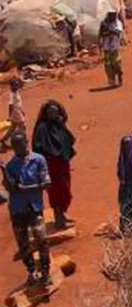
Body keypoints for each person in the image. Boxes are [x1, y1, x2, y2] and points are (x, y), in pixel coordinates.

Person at [3, 132, 51, 284]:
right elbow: (10, 188)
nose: (18, 148)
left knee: (41, 238)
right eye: (15, 146)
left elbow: (46, 183)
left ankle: (45, 271)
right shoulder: (10, 166)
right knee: (23, 242)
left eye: (20, 144)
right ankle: (31, 271)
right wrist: (4, 172)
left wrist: (25, 188)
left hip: (34, 207)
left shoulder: (38, 160)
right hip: (17, 209)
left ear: (26, 142)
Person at [32, 100, 75, 230]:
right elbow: (38, 147)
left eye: (56, 111)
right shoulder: (42, 128)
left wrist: (62, 125)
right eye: (51, 111)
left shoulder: (58, 125)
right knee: (56, 192)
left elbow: (70, 139)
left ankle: (62, 215)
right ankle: (59, 220)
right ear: (46, 113)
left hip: (63, 163)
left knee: (66, 191)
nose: (53, 114)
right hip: (51, 166)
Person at [98, 10, 125, 87]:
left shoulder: (118, 23)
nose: (113, 16)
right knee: (108, 64)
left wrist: (110, 31)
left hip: (115, 46)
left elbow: (118, 32)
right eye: (111, 15)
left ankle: (119, 75)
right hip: (106, 46)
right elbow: (101, 34)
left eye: (114, 15)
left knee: (116, 63)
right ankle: (111, 80)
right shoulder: (103, 23)